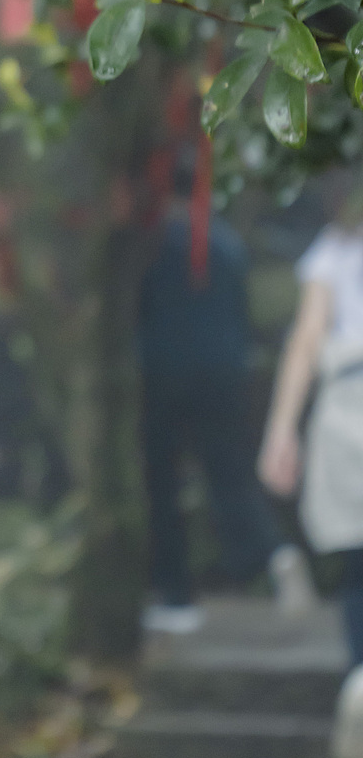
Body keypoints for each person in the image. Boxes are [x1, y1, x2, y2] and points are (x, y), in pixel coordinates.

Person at [139, 170, 315, 634]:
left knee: (162, 484)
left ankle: (176, 598)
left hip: (161, 375)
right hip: (224, 375)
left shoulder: (152, 241)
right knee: (229, 473)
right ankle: (275, 553)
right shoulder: (229, 243)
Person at [259, 203, 363, 758]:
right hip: (347, 407)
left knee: (357, 563)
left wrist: (282, 430)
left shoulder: (336, 247)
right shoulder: (334, 246)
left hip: (347, 407)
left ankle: (359, 682)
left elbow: (306, 340)